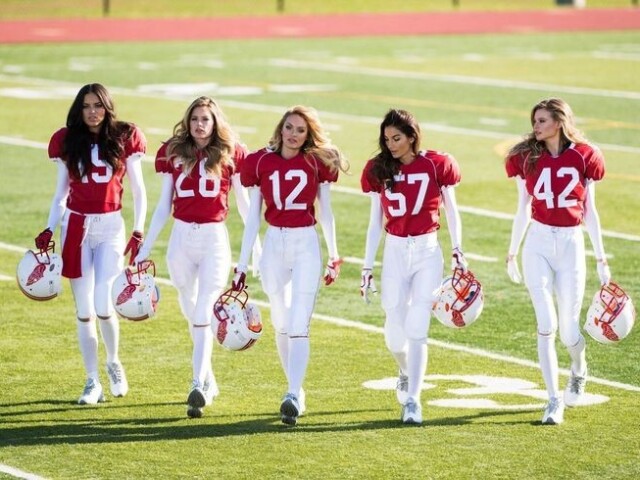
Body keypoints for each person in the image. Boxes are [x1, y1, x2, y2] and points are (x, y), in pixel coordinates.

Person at [133, 96, 259, 418]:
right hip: (181, 238)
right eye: (195, 119)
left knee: (204, 310)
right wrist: (146, 246)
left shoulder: (231, 152)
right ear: (187, 122)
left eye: (205, 119)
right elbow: (164, 205)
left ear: (215, 122)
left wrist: (254, 243)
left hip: (214, 238)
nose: (200, 125)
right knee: (191, 311)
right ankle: (208, 377)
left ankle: (196, 384)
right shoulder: (173, 152)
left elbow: (244, 204)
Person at [232, 105, 348, 426]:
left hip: (305, 243)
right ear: (280, 128)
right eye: (289, 127)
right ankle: (293, 388)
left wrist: (334, 252)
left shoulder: (316, 162)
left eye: (300, 130)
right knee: (281, 321)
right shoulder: (260, 161)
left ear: (308, 134)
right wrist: (242, 263)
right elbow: (253, 216)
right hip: (273, 244)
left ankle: (293, 392)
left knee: (298, 324)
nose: (294, 134)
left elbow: (325, 212)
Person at [34, 83, 147, 405]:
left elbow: (138, 191)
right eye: (86, 106)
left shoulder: (125, 136)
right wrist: (48, 228)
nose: (92, 111)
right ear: (78, 109)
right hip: (76, 225)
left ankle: (113, 362)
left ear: (108, 106)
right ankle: (91, 380)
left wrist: (138, 230)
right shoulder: (67, 140)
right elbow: (60, 194)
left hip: (111, 227)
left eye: (98, 105)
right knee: (84, 311)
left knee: (103, 304)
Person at [505, 97, 610, 425]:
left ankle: (578, 368)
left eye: (542, 121)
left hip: (570, 242)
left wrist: (601, 257)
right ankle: (552, 400)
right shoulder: (525, 156)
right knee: (546, 325)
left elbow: (590, 211)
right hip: (537, 240)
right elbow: (522, 207)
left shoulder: (584, 155)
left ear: (559, 122)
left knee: (568, 331)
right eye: (534, 120)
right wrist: (512, 251)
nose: (535, 126)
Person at [360, 108, 468, 425]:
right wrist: (367, 267)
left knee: (418, 328)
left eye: (397, 138)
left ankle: (414, 400)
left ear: (412, 136)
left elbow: (452, 211)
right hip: (394, 251)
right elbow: (373, 223)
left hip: (427, 250)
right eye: (387, 138)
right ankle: (405, 371)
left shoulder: (436, 164)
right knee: (395, 336)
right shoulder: (378, 169)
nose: (391, 144)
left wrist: (458, 250)